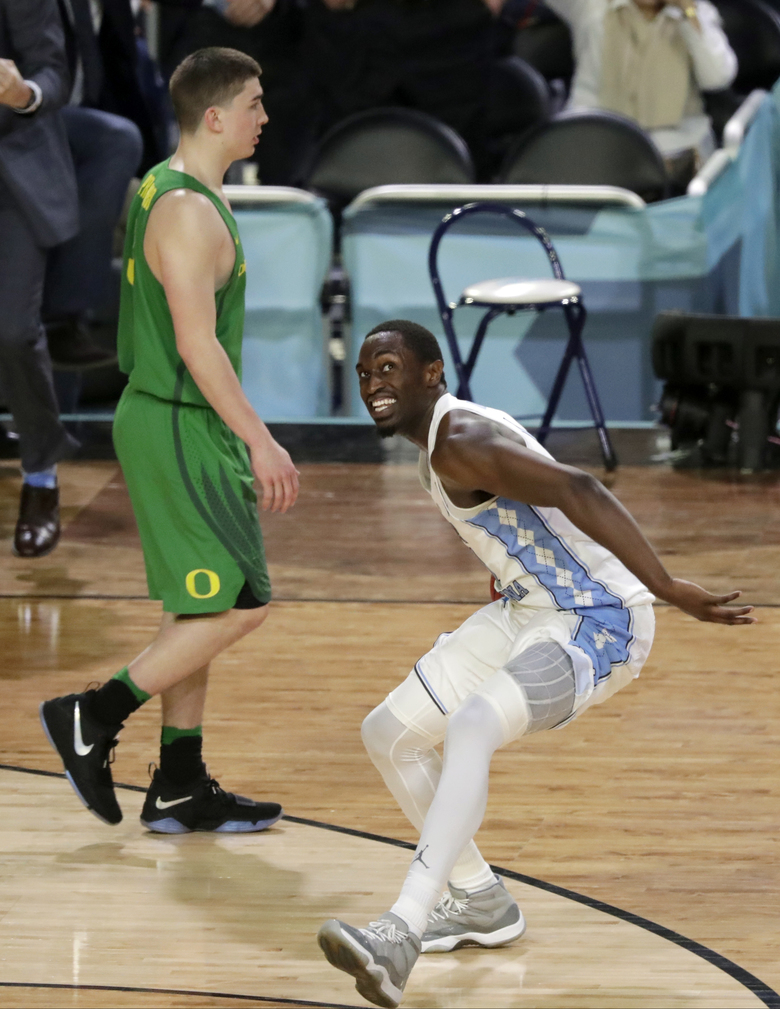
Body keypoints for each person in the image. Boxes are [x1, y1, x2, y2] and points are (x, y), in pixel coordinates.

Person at [316, 320, 755, 1008]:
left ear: (432, 373)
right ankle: (480, 898)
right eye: (367, 371)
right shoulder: (442, 443)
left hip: (599, 617)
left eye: (390, 367)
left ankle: (401, 928)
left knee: (470, 726)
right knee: (388, 733)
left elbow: (578, 488)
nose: (375, 383)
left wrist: (667, 588)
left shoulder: (459, 441)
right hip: (531, 608)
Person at [40, 47, 299, 835]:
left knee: (200, 605)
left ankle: (180, 782)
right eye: (253, 103)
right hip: (181, 422)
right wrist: (261, 438)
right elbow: (197, 342)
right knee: (245, 603)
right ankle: (93, 713)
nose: (264, 116)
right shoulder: (186, 210)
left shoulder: (166, 183)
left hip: (175, 419)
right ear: (215, 116)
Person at [0, 0, 81, 558]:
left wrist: (20, 92)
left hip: (14, 175)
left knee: (12, 330)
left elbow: (54, 72)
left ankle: (40, 477)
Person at [546, 0, 737, 172]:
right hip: (598, 145)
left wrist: (689, 13)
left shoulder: (697, 13)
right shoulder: (592, 7)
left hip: (678, 152)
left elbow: (718, 78)